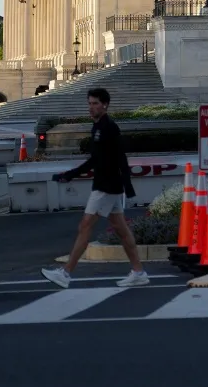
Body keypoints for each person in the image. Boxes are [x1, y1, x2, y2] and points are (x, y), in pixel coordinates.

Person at [42, 88, 149, 287]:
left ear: (105, 105)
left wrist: (127, 184)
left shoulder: (109, 127)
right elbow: (95, 160)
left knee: (85, 226)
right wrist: (70, 175)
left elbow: (120, 158)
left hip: (106, 187)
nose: (91, 107)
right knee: (122, 231)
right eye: (90, 103)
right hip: (106, 185)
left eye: (95, 103)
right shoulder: (98, 127)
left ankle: (65, 273)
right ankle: (138, 271)